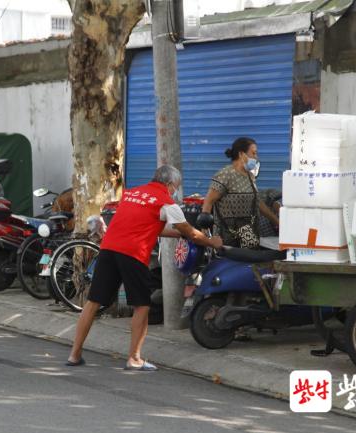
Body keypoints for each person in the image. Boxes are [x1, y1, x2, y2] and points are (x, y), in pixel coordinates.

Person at [67, 165, 223, 371]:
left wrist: (179, 233)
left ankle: (74, 354)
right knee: (142, 306)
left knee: (93, 302)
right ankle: (134, 358)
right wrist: (213, 242)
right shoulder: (167, 202)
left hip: (108, 250)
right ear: (169, 184)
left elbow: (146, 224)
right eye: (175, 187)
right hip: (132, 254)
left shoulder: (131, 193)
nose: (175, 191)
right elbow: (191, 233)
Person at [200, 137, 279, 248]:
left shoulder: (250, 176)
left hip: (249, 237)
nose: (256, 157)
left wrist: (277, 222)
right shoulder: (225, 174)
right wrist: (205, 231)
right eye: (253, 153)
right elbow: (209, 201)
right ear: (242, 154)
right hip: (228, 238)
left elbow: (257, 202)